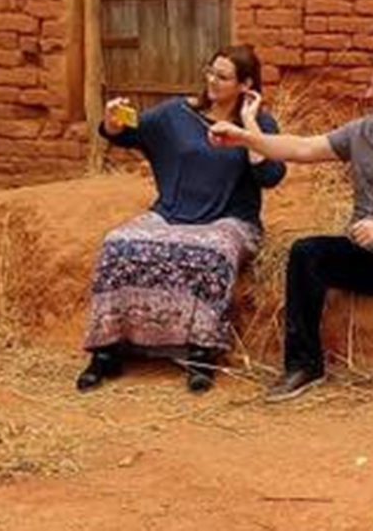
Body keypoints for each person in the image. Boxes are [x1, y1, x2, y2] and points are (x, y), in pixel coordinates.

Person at [209, 52, 373, 406]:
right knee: (305, 253)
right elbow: (301, 147)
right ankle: (304, 364)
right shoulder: (361, 132)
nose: (367, 94)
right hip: (361, 252)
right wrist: (245, 137)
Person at [78, 45, 284, 394]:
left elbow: (271, 176)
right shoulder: (176, 114)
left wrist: (249, 126)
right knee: (117, 244)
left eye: (223, 77)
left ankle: (200, 352)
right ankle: (106, 351)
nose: (212, 81)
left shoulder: (260, 123)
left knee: (211, 252)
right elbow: (128, 131)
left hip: (230, 221)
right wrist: (112, 122)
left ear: (245, 84)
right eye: (210, 72)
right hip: (171, 214)